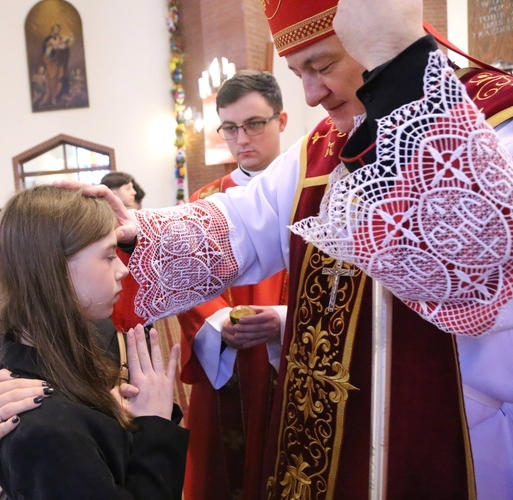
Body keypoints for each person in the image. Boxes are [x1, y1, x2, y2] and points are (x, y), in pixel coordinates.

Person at [57, 0, 513, 497]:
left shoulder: (496, 122)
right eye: (298, 72)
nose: (313, 94)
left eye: (322, 66)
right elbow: (243, 223)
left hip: (463, 422)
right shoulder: (323, 145)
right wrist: (136, 233)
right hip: (337, 426)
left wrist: (398, 61)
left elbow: (465, 264)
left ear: (381, 36)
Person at [0, 185, 188, 498]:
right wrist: (154, 426)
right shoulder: (46, 428)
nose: (123, 269)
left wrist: (104, 413)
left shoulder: (54, 350)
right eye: (108, 256)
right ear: (54, 269)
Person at [177, 70, 289, 500]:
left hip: (298, 355)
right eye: (229, 127)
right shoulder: (203, 204)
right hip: (227, 364)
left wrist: (283, 320)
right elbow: (186, 284)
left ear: (281, 121)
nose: (241, 138)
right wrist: (218, 322)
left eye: (255, 124)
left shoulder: (314, 193)